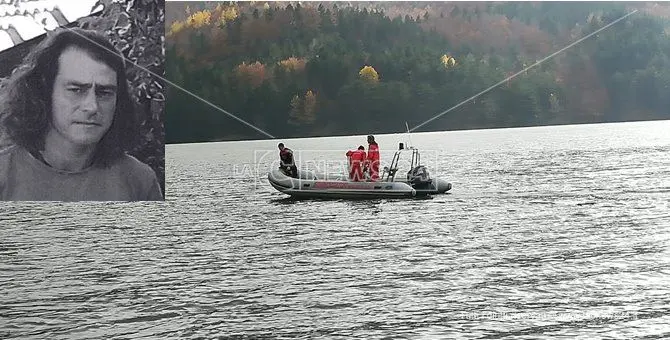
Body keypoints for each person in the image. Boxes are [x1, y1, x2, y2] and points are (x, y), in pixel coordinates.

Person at [0, 28, 163, 201]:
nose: (92, 106)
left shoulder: (139, 182)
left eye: (104, 92)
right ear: (44, 92)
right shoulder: (5, 176)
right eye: (76, 90)